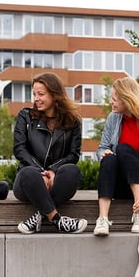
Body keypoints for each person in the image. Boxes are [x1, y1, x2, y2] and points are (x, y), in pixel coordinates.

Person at [93, 76, 139, 236]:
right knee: (109, 158)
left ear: (127, 100)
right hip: (120, 184)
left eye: (114, 99)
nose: (110, 102)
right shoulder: (113, 119)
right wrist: (102, 153)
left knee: (123, 149)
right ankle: (102, 219)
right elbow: (102, 147)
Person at [14, 72, 87, 234]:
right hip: (28, 182)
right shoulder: (25, 117)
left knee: (72, 171)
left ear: (55, 95)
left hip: (57, 182)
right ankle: (57, 219)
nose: (36, 99)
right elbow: (19, 149)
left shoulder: (72, 121)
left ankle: (39, 216)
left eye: (41, 94)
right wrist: (41, 173)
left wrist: (53, 171)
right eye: (34, 94)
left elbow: (73, 154)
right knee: (28, 173)